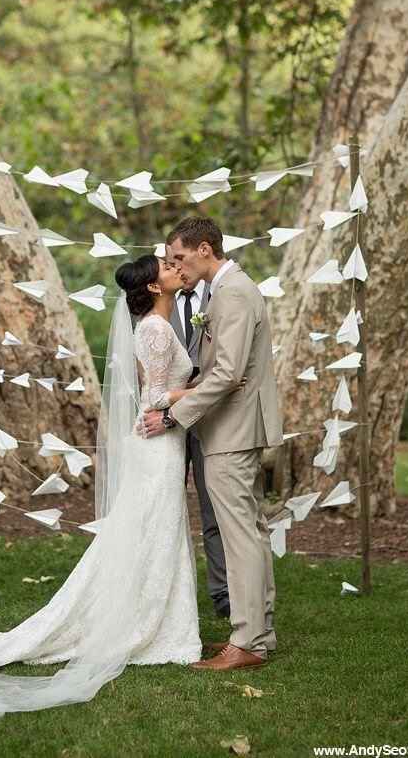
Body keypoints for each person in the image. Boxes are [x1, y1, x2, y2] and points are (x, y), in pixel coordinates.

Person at [0, 255, 206, 723]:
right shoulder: (153, 330)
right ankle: (156, 630)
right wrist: (205, 390)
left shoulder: (163, 321)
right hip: (157, 444)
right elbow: (153, 396)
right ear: (154, 287)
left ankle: (170, 628)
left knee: (161, 532)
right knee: (153, 531)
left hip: (165, 441)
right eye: (167, 266)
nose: (176, 267)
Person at [141, 217, 282, 672]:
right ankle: (259, 632)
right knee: (252, 533)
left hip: (233, 430)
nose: (175, 267)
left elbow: (226, 373)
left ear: (205, 249)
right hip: (235, 427)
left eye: (178, 258)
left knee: (241, 535)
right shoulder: (226, 290)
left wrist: (172, 416)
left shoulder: (233, 293)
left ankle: (247, 643)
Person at [168, 260, 230, 619]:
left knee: (215, 505)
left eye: (178, 258)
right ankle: (166, 589)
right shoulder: (152, 310)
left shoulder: (219, 295)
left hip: (211, 414)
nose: (176, 267)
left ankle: (223, 593)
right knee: (162, 504)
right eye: (168, 261)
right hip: (167, 420)